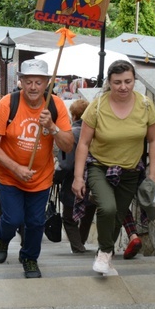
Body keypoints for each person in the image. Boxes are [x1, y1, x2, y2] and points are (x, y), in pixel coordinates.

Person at [0, 59, 73, 279]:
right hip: (9, 176)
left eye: (39, 82)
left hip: (41, 177)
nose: (33, 87)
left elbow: (68, 145)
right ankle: (3, 238)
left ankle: (30, 258)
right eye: (29, 81)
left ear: (47, 83)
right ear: (20, 81)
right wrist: (15, 168)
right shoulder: (7, 103)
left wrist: (52, 127)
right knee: (13, 218)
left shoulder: (56, 105)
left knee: (35, 222)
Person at [72, 59, 155, 276]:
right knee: (108, 208)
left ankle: (105, 256)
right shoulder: (98, 105)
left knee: (118, 215)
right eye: (117, 82)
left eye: (128, 81)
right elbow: (83, 143)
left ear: (134, 81)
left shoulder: (146, 105)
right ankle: (104, 252)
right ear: (109, 83)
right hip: (99, 167)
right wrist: (77, 177)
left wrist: (153, 175)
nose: (123, 86)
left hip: (130, 171)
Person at [57, 99, 95, 253]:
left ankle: (78, 247)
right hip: (93, 179)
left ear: (73, 115)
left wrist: (55, 176)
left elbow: (66, 163)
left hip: (74, 180)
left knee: (69, 217)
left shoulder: (72, 134)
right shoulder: (95, 131)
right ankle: (81, 243)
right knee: (88, 213)